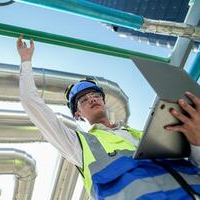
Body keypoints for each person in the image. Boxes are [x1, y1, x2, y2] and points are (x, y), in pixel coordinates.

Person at [17, 35, 200, 200]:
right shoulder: (79, 145)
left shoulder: (145, 133)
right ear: (77, 114)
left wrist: (197, 143)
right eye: (83, 99)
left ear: (105, 102)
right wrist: (26, 61)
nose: (91, 99)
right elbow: (32, 104)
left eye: (95, 96)